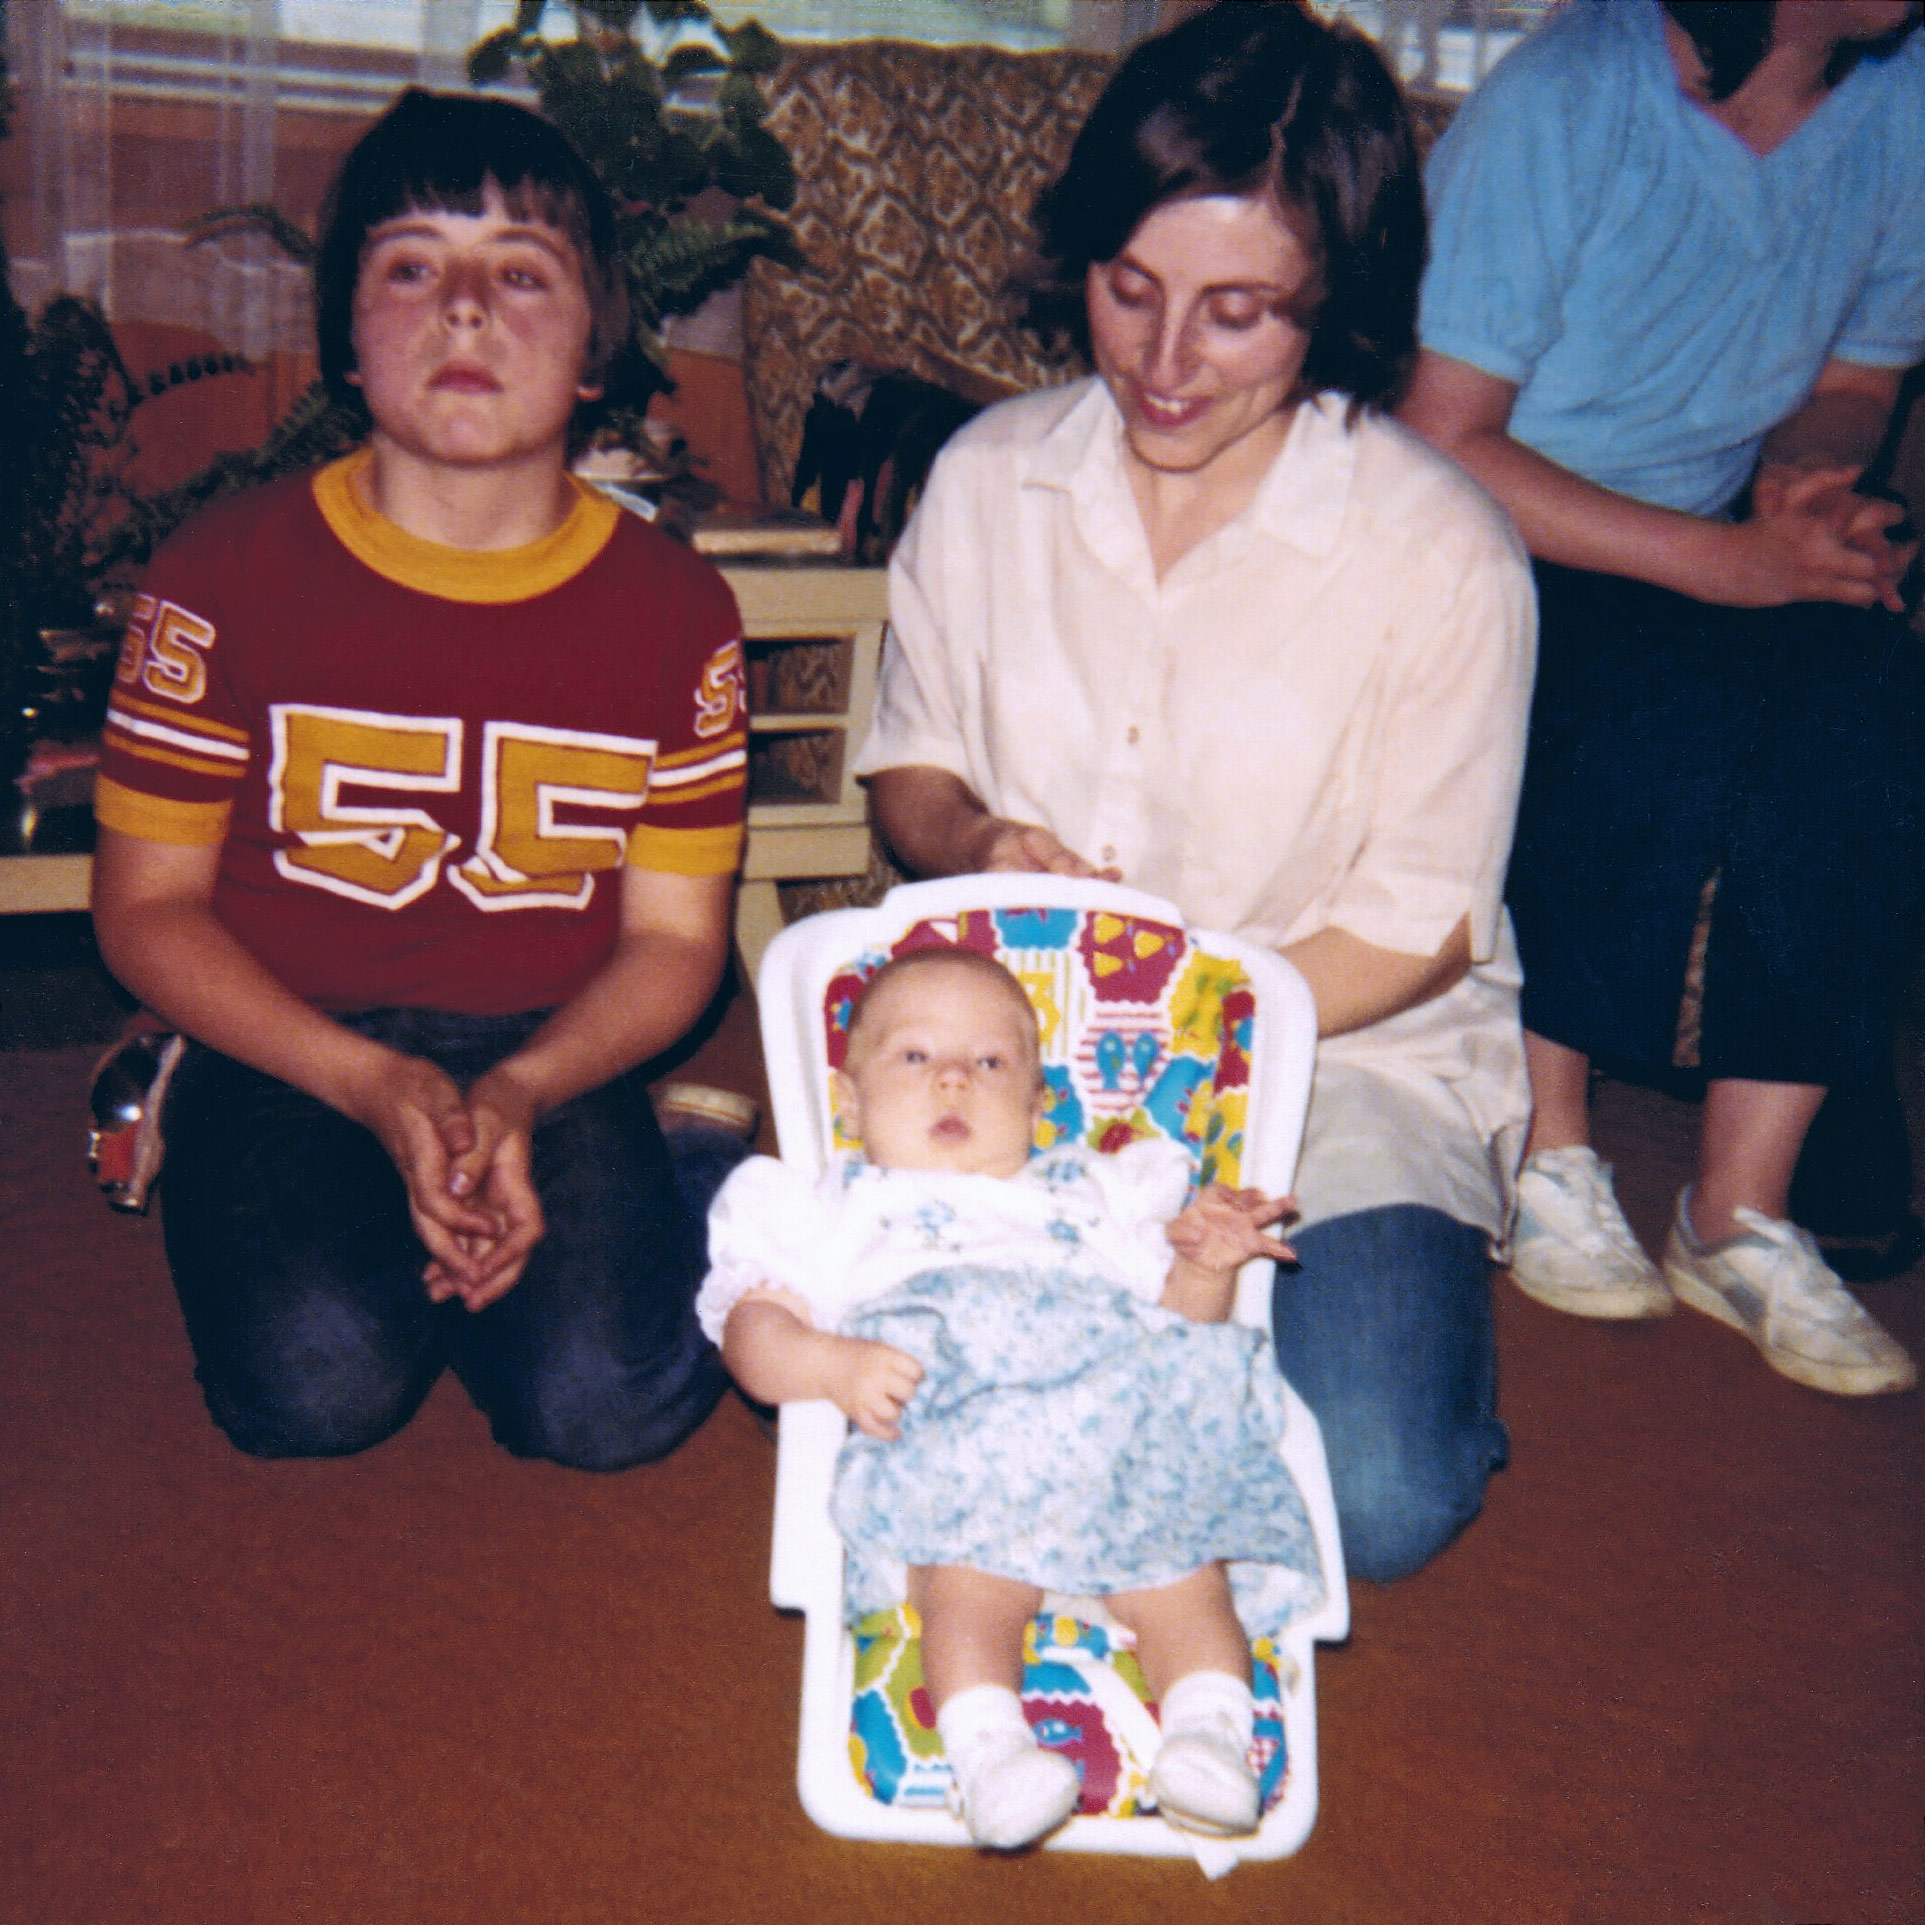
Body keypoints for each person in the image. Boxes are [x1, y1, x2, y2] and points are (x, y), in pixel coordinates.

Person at [852, 3, 1535, 1584]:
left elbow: (1420, 927)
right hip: (1014, 1055)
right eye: (1129, 290)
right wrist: (973, 838)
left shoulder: (1443, 555)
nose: (1162, 366)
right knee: (907, 1389)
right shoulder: (988, 477)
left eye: (1237, 315)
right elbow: (913, 770)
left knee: (1376, 1494)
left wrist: (1170, 1053)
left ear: (1334, 302)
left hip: (1340, 1065)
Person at [88, 90, 750, 1467]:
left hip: (553, 1037)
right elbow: (145, 907)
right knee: (314, 1391)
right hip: (292, 1029)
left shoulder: (680, 610)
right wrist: (371, 1087)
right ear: (345, 334)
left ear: (595, 348)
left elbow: (676, 941)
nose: (463, 309)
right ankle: (192, 1094)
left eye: (521, 273)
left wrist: (519, 1096)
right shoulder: (219, 571)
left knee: (605, 1408)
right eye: (410, 268)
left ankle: (689, 1164)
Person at [1402, 0, 1924, 1395]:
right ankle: (1547, 1145)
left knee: (1868, 676)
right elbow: (1440, 434)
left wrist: (1804, 487)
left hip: (1700, 532)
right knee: (1618, 676)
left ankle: (1736, 1213)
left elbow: (1856, 381)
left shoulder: (1906, 103)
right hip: (1475, 524)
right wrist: (1722, 567)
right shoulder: (1567, 95)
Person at [698, 948, 1325, 1849]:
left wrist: (1204, 1267)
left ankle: (1209, 1735)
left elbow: (1180, 1329)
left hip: (1122, 1449)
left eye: (990, 1062)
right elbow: (751, 1329)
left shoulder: (1096, 1193)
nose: (954, 1076)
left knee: (1186, 1574)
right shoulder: (837, 1209)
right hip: (963, 1451)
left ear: (1037, 1109)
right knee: (965, 1587)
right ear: (850, 1102)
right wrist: (827, 1364)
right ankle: (990, 1752)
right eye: (915, 1055)